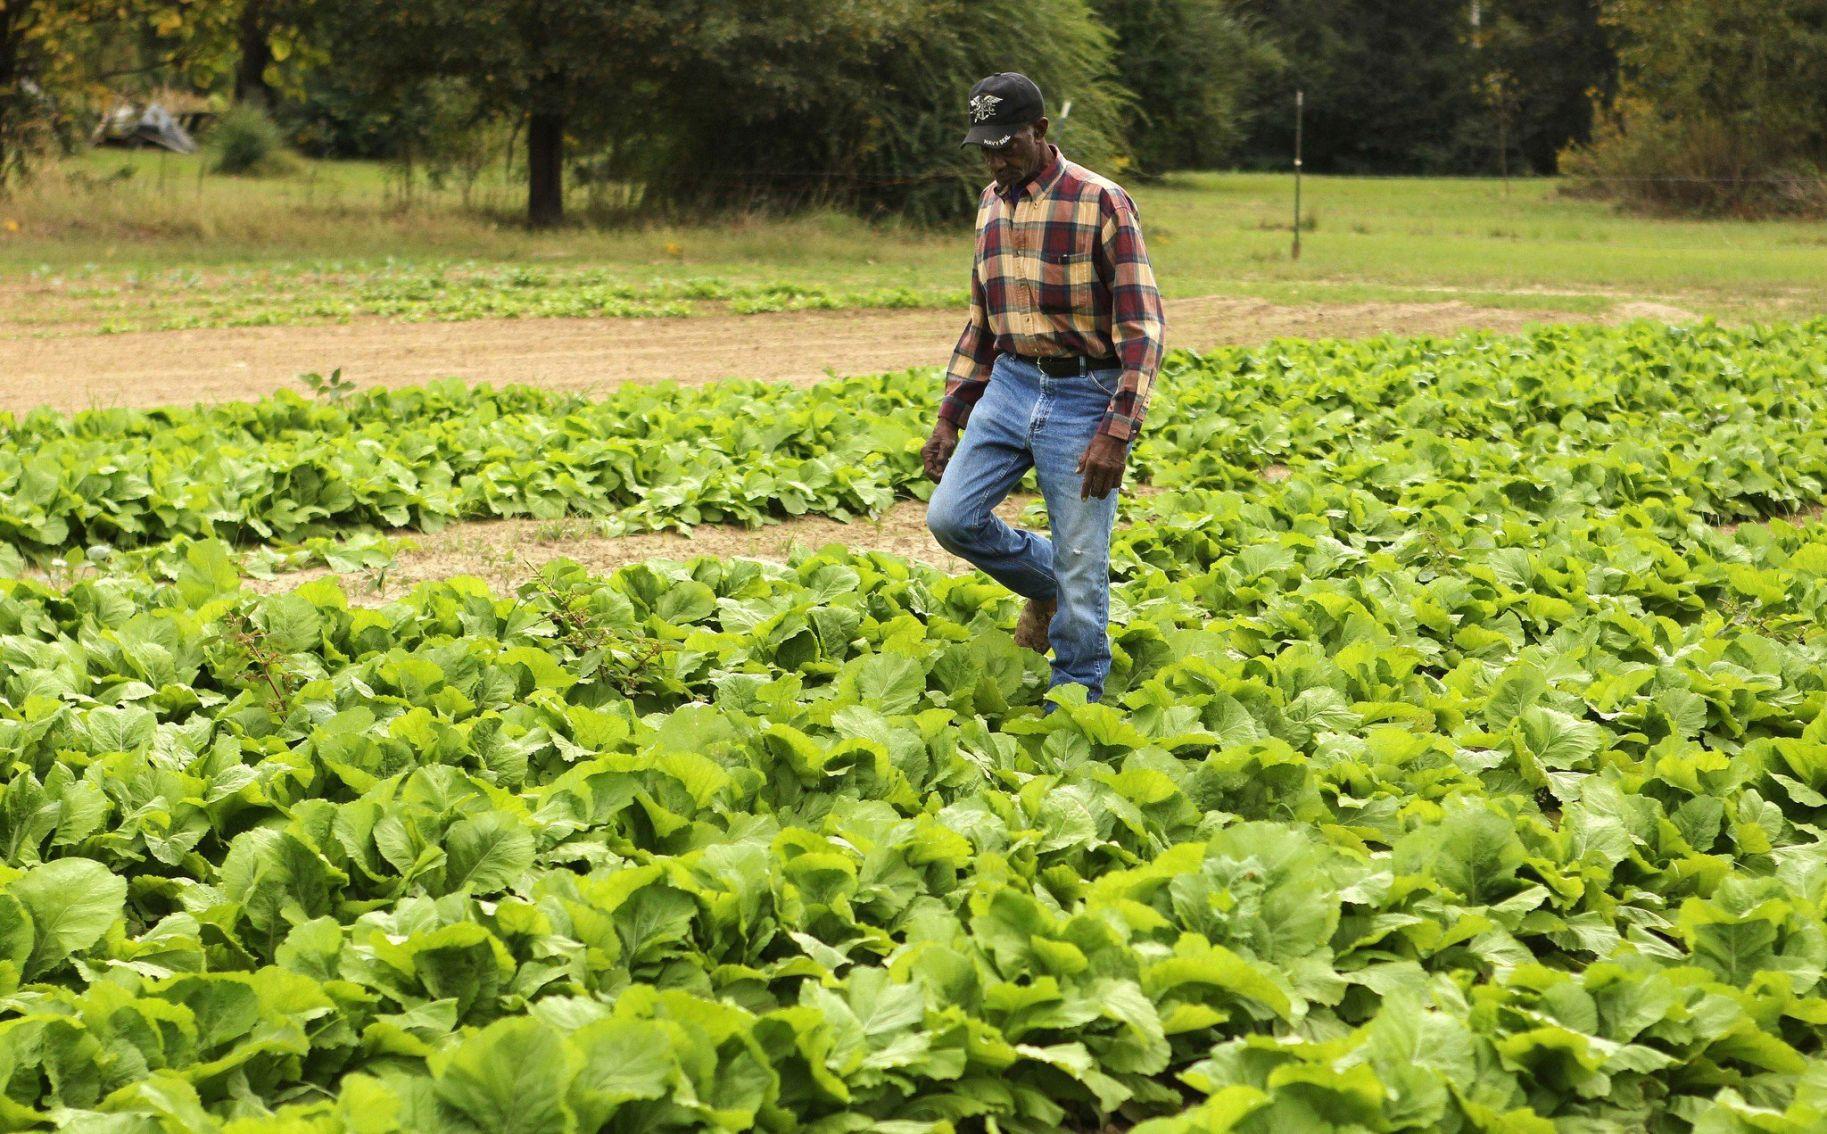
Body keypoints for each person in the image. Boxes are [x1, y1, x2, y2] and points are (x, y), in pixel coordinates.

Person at [923, 71, 1166, 705]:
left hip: (1086, 391)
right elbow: (982, 320)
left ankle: (1077, 692)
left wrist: (1118, 430)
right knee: (951, 518)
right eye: (985, 147)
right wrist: (951, 413)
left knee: (1084, 559)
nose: (997, 159)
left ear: (1041, 131)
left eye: (1008, 144)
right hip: (1008, 384)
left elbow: (1142, 326)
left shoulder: (1100, 201)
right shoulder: (990, 204)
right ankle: (1045, 581)